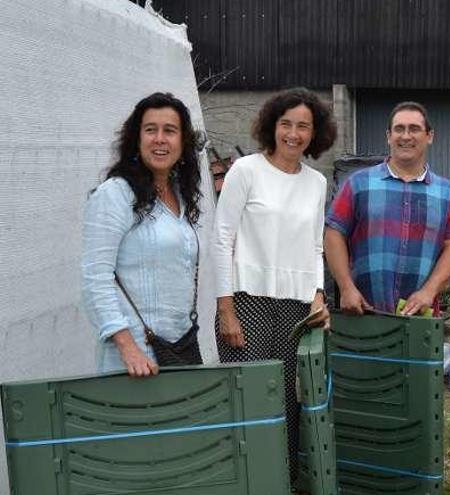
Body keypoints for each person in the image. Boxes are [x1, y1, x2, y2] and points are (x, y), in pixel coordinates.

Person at [212, 88, 335, 482]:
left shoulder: (316, 182)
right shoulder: (245, 170)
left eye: (303, 126)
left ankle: (282, 479)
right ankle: (242, 480)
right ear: (272, 126)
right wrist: (225, 308)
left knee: (286, 397)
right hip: (246, 301)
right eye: (286, 124)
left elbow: (316, 245)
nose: (293, 134)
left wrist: (318, 293)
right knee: (247, 394)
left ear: (314, 134)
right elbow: (221, 239)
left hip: (295, 307)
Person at [82, 92, 203, 376]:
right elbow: (95, 276)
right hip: (136, 360)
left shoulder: (181, 197)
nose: (160, 139)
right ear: (137, 139)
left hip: (181, 349)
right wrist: (127, 346)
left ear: (182, 142)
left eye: (170, 131)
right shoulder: (115, 194)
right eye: (151, 130)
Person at [325, 101, 450, 317]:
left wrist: (430, 290)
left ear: (429, 136)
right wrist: (346, 287)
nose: (406, 136)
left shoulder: (445, 192)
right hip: (363, 311)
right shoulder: (358, 184)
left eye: (414, 129)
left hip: (421, 316)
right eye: (399, 129)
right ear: (389, 136)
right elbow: (334, 234)